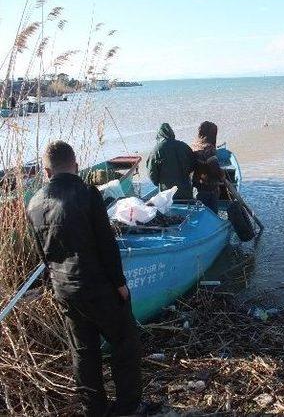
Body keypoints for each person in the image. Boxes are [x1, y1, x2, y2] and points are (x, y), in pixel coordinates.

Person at [27, 141, 142, 416]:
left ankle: (94, 408)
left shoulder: (33, 204)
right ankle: (126, 407)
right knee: (124, 344)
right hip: (98, 287)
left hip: (64, 289)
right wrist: (120, 284)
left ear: (46, 171)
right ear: (76, 166)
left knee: (83, 351)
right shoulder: (87, 192)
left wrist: (55, 283)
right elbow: (106, 243)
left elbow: (43, 254)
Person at [146, 123, 196, 200]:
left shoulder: (156, 150)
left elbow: (152, 173)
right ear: (172, 133)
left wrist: (158, 182)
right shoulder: (184, 146)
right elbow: (193, 164)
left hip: (167, 192)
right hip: (185, 190)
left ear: (159, 135)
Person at [190, 121, 225, 212]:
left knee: (200, 214)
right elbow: (215, 169)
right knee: (213, 214)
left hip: (197, 187)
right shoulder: (209, 148)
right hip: (209, 188)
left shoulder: (194, 145)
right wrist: (222, 175)